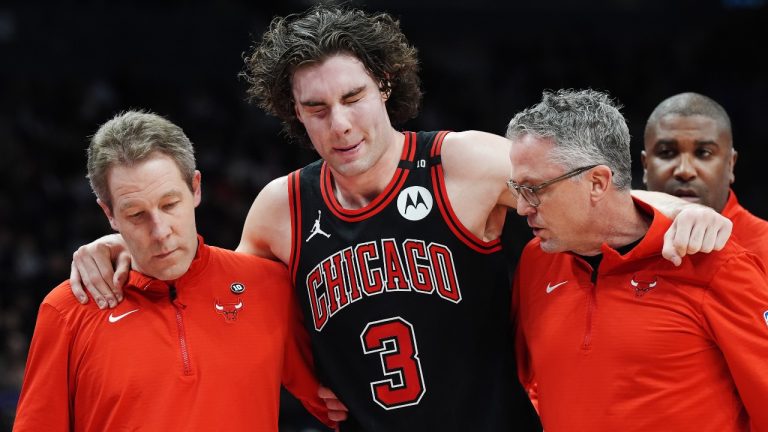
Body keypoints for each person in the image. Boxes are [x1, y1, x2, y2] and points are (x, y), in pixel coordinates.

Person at [67, 6, 732, 431]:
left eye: (353, 96)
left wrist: (676, 211)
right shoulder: (281, 208)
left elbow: (589, 191)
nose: (342, 122)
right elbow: (214, 291)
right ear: (292, 113)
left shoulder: (462, 163)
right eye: (317, 108)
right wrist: (123, 239)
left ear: (385, 84)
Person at [13, 111, 334, 431]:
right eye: (136, 214)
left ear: (195, 187)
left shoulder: (269, 287)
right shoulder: (68, 310)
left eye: (169, 204)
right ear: (109, 213)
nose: (160, 231)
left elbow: (338, 404)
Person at [509, 89, 768, 431]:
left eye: (535, 190)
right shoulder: (536, 261)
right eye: (517, 189)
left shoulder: (715, 263)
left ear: (598, 183)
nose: (522, 207)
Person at [642, 91, 768, 262]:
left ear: (730, 164)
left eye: (703, 153)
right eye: (667, 152)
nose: (685, 171)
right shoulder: (611, 244)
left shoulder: (763, 247)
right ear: (645, 166)